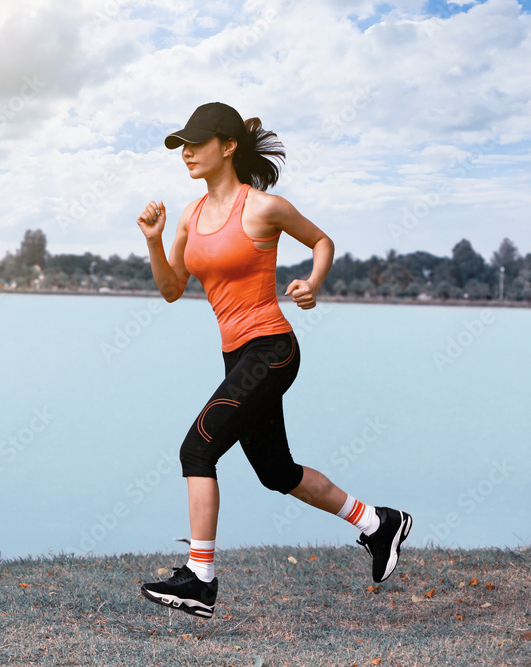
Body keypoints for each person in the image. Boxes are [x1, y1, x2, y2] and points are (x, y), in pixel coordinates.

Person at [136, 102, 411, 619]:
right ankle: (379, 523)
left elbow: (321, 240)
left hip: (272, 349)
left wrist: (313, 283)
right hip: (236, 356)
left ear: (229, 146)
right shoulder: (190, 217)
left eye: (197, 143)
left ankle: (200, 578)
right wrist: (154, 241)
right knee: (277, 472)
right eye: (182, 145)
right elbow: (172, 289)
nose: (187, 153)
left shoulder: (263, 207)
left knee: (196, 451)